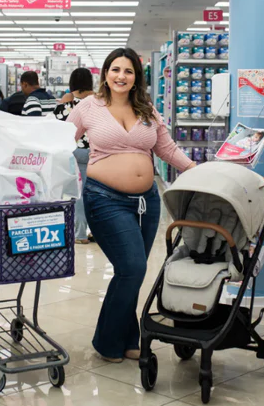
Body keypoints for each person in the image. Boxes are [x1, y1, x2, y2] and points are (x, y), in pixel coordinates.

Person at [67, 48, 196, 363]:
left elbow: (166, 148)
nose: (121, 76)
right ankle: (108, 341)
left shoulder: (146, 109)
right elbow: (59, 141)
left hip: (147, 202)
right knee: (134, 267)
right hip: (104, 199)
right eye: (115, 69)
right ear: (105, 74)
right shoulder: (89, 106)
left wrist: (195, 169)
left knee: (131, 272)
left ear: (137, 76)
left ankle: (128, 338)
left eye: (128, 71)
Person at [53, 67, 94, 244]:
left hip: (73, 150)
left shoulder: (68, 100)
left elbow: (58, 123)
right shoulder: (98, 99)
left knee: (77, 193)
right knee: (94, 192)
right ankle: (96, 230)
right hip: (95, 151)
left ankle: (80, 234)